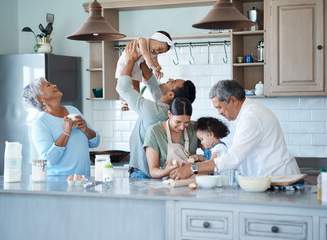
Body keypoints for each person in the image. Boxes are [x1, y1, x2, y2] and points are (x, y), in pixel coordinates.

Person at [170, 80, 300, 180]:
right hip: (270, 178)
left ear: (232, 100)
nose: (219, 112)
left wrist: (192, 169)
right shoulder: (248, 113)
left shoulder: (251, 117)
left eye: (220, 107)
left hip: (279, 179)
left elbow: (233, 159)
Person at [116, 39, 196, 179]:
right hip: (155, 174)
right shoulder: (166, 106)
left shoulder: (155, 113)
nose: (169, 79)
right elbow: (152, 82)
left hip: (142, 172)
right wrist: (141, 57)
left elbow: (122, 88)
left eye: (173, 81)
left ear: (171, 95)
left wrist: (129, 61)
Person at [23, 77, 100, 176]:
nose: (54, 85)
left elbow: (95, 142)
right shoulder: (40, 123)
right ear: (40, 98)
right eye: (48, 85)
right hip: (59, 184)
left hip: (83, 181)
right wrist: (65, 133)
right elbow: (50, 159)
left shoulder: (73, 110)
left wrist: (86, 129)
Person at [115, 31, 173, 111]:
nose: (157, 52)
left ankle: (136, 102)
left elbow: (155, 61)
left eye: (160, 52)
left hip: (137, 65)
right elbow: (145, 53)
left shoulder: (154, 52)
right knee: (123, 84)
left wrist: (157, 68)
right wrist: (152, 66)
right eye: (159, 49)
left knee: (135, 84)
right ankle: (123, 102)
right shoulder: (143, 41)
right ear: (155, 39)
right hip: (125, 63)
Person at [144, 97, 199, 179]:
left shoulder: (194, 127)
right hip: (166, 183)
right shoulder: (154, 131)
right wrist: (166, 171)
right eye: (178, 122)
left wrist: (201, 158)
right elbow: (153, 171)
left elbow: (212, 154)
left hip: (191, 181)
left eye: (187, 122)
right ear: (169, 114)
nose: (182, 127)